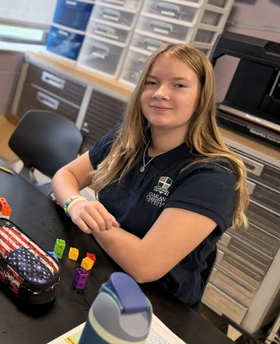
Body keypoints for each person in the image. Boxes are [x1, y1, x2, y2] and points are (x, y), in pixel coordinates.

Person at [51, 43, 249, 311]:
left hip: (157, 305)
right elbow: (66, 174)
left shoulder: (213, 176)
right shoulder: (127, 138)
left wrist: (93, 222)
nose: (160, 94)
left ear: (202, 98)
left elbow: (145, 266)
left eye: (179, 85)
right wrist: (75, 204)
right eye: (152, 82)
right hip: (104, 269)